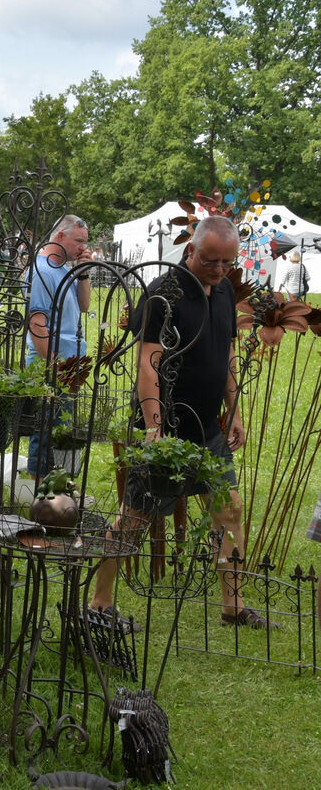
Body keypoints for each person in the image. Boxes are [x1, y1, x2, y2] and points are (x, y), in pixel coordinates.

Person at [89, 216, 272, 629]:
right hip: (166, 432)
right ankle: (98, 604)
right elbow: (147, 365)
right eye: (212, 260)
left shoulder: (225, 291)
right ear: (191, 250)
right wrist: (154, 428)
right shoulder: (163, 295)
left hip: (208, 429)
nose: (220, 269)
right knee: (134, 518)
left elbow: (225, 354)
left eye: (228, 262)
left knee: (230, 510)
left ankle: (234, 606)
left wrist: (235, 410)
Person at [24, 214, 94, 478]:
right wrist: (53, 367)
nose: (83, 248)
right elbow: (37, 325)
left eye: (85, 243)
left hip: (70, 365)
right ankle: (39, 491)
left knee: (61, 430)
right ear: (60, 237)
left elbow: (84, 306)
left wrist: (84, 273)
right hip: (51, 365)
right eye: (78, 241)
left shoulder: (64, 269)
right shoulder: (41, 271)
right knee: (44, 430)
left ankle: (57, 488)